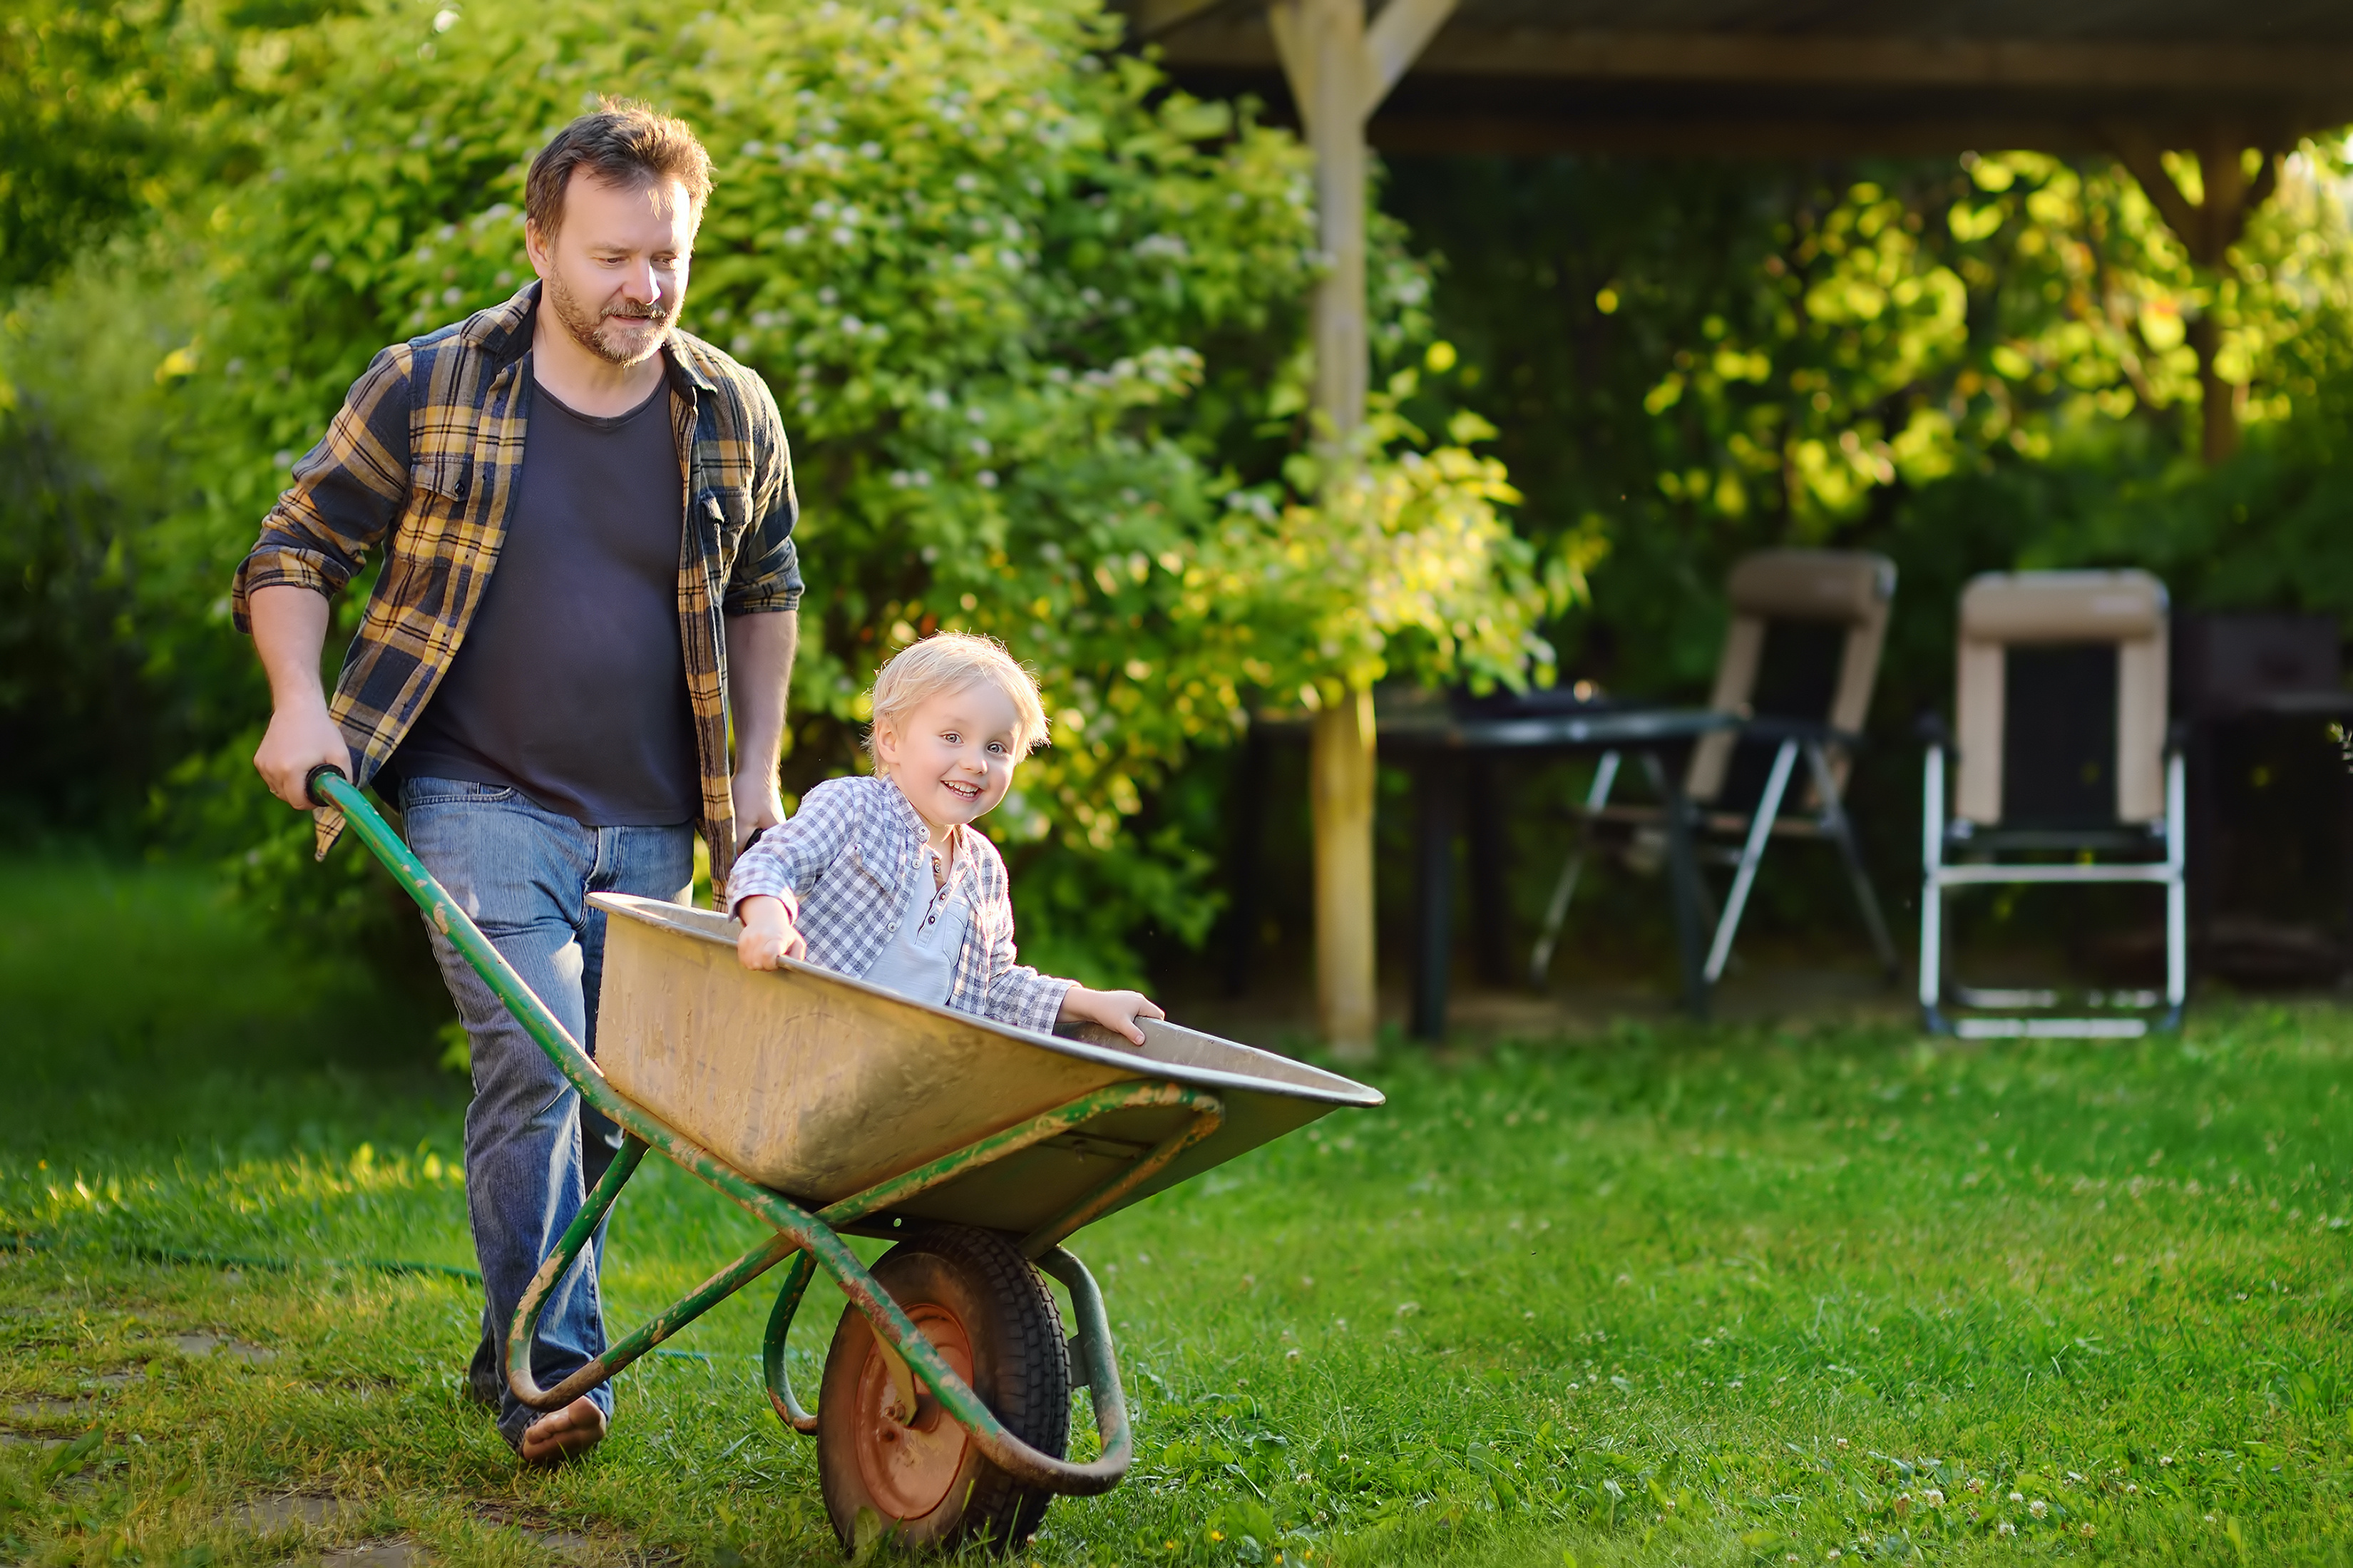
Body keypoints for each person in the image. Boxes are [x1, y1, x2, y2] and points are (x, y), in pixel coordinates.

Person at [233, 99, 800, 1465]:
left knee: (607, 1094)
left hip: (655, 814)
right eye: (611, 256)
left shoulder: (728, 410)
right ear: (540, 242)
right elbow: (296, 546)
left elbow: (766, 590)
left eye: (667, 255)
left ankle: (518, 1336)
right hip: (471, 793)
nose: (643, 286)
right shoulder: (430, 383)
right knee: (538, 1060)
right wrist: (299, 703)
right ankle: (557, 1371)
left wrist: (758, 777)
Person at [731, 633, 1164, 1046]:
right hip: (803, 1039)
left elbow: (994, 986)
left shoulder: (985, 869)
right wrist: (770, 920)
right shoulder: (854, 808)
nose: (976, 763)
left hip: (901, 1079)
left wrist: (1091, 1003)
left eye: (997, 748)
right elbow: (771, 863)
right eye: (953, 737)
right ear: (891, 740)